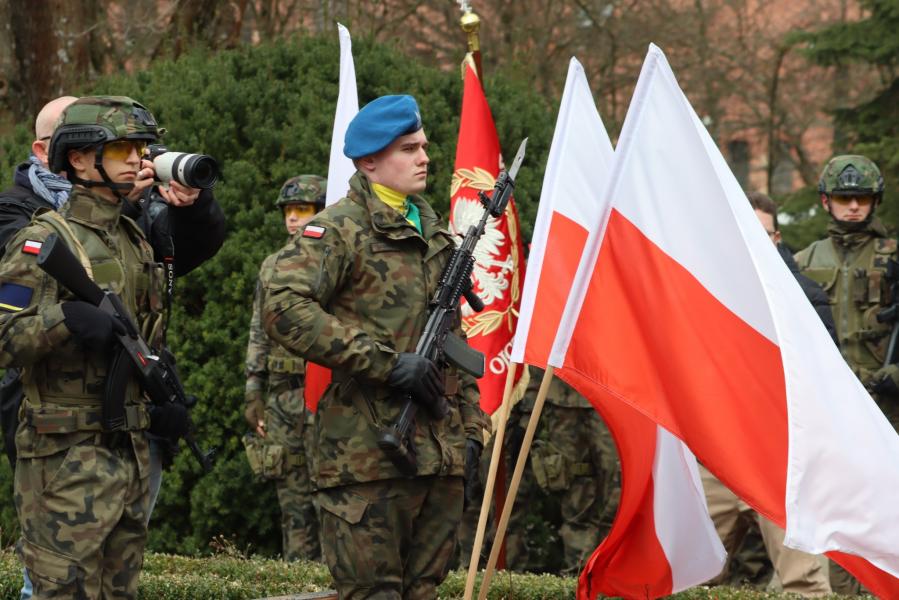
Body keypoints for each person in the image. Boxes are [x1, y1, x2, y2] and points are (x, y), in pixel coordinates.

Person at [262, 94, 489, 599]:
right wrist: (385, 365)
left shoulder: (435, 236)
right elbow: (281, 306)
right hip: (366, 457)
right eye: (408, 148)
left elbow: (456, 344)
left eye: (424, 146)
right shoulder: (340, 228)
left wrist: (473, 433)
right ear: (369, 162)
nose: (424, 157)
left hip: (439, 456)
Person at [0, 96, 190, 599]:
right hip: (64, 459)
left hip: (127, 451)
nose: (137, 158)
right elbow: (3, 338)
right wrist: (63, 319)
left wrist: (164, 403)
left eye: (141, 147)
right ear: (80, 159)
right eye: (122, 147)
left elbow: (146, 340)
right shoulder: (43, 242)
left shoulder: (134, 239)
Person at [700, 191, 834, 597]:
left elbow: (824, 379)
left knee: (804, 580)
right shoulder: (708, 291)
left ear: (776, 239)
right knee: (688, 568)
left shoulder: (807, 297)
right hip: (719, 451)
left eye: (763, 234)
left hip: (784, 457)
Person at [794, 155, 897, 595]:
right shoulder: (801, 260)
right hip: (828, 408)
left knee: (884, 509)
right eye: (842, 197)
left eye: (861, 198)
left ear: (874, 201)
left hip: (885, 406)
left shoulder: (895, 256)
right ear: (826, 201)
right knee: (834, 509)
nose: (852, 206)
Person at [244, 174, 326, 562]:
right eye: (289, 211)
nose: (294, 219)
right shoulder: (273, 266)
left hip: (328, 395)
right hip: (282, 396)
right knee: (291, 495)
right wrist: (252, 390)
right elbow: (259, 331)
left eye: (303, 210)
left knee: (331, 493)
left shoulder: (336, 262)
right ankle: (296, 575)